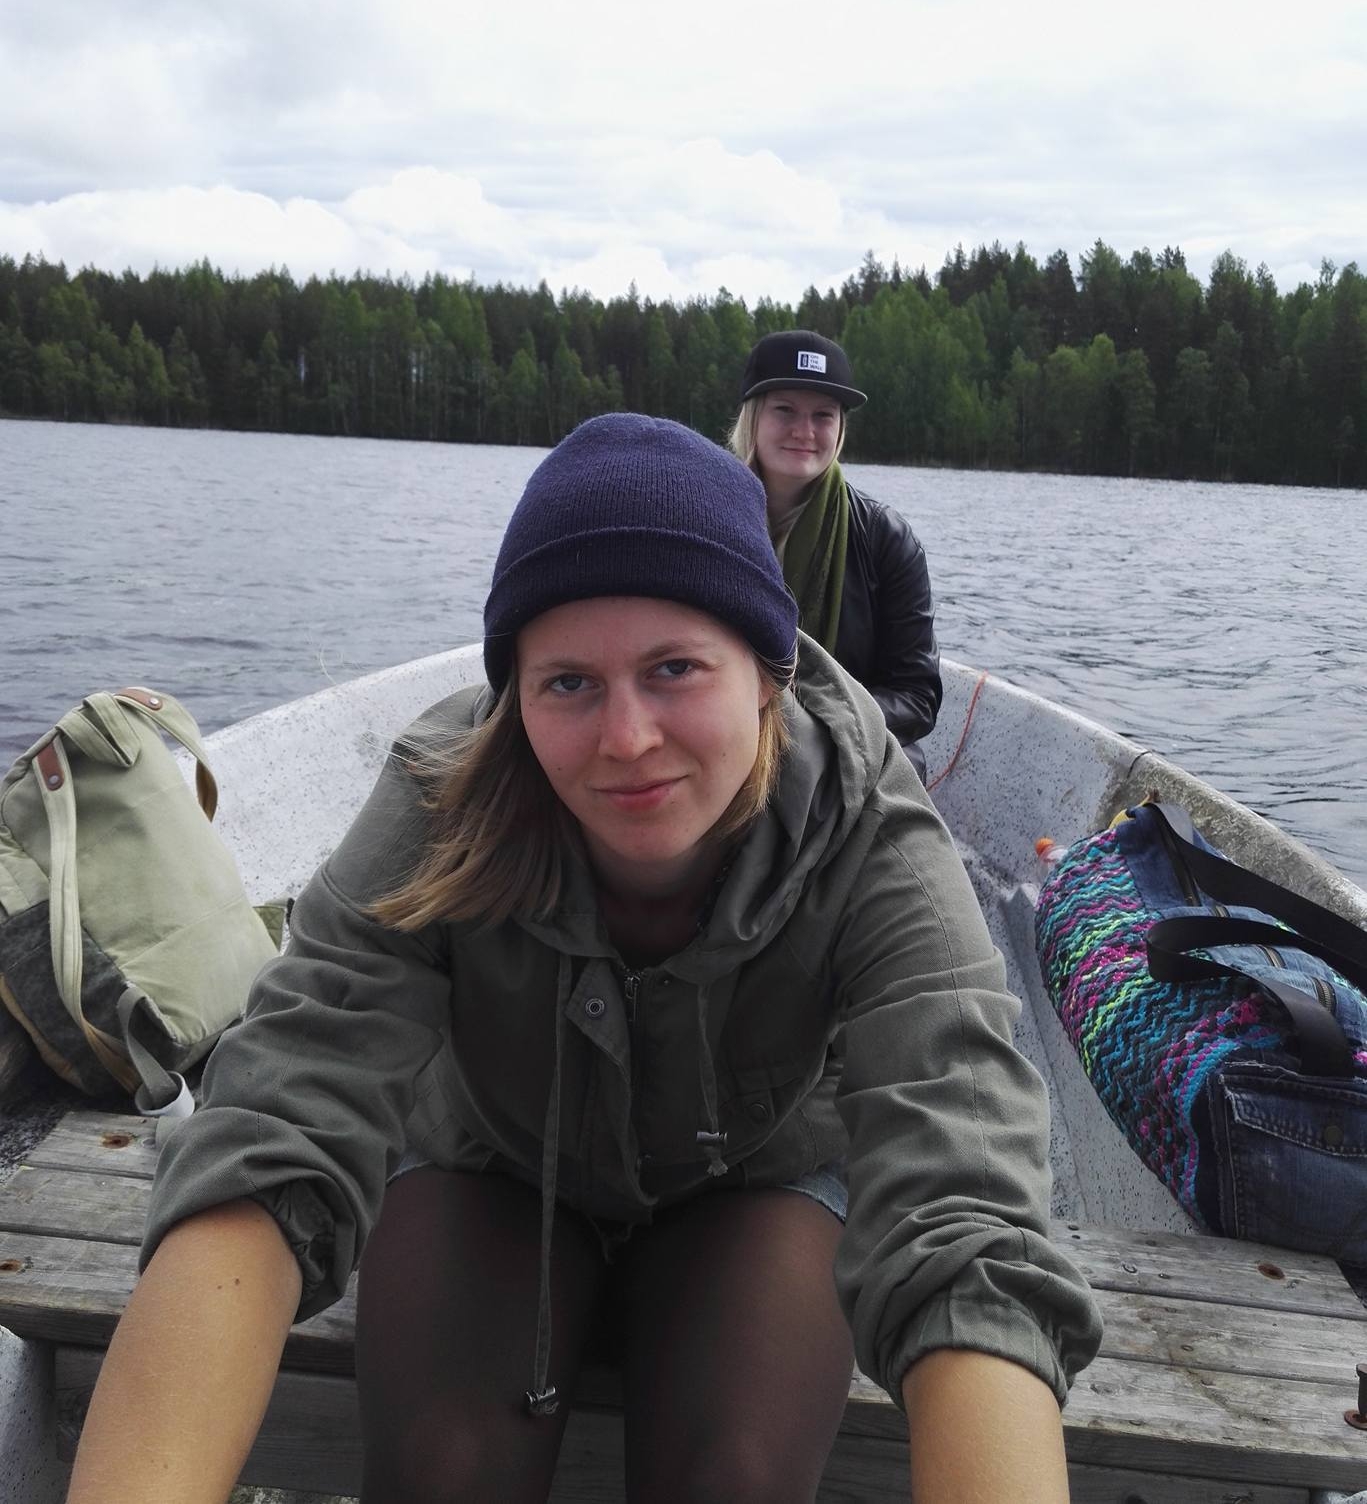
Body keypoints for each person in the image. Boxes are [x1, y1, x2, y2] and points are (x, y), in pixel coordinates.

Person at [68, 414, 1100, 1504]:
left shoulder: (862, 824)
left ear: (768, 672)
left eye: (674, 669)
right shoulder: (442, 798)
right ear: (514, 695)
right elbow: (280, 1117)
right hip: (492, 1160)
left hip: (758, 1177)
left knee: (737, 1479)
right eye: (567, 682)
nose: (626, 738)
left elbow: (960, 1195)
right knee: (443, 1471)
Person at [730, 328, 943, 779]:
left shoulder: (886, 538)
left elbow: (916, 696)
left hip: (840, 753)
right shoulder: (704, 521)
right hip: (724, 735)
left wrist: (809, 724)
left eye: (823, 415)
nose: (804, 431)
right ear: (753, 415)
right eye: (785, 410)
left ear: (840, 427)